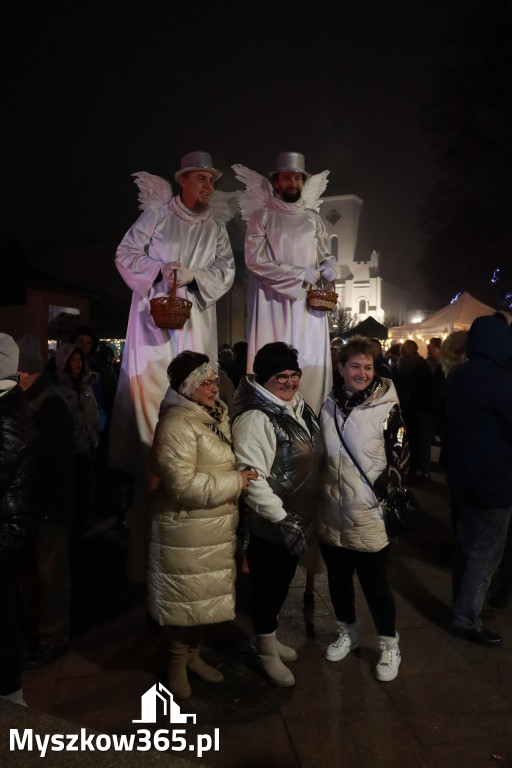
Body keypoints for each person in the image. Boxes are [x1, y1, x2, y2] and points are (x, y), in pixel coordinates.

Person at [110, 151, 235, 581]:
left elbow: (227, 270)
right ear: (182, 180)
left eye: (211, 180)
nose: (208, 187)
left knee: (193, 420)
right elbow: (126, 253)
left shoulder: (216, 229)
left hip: (194, 327)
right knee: (152, 433)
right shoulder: (159, 217)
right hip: (153, 332)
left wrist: (194, 277)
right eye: (201, 178)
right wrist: (160, 271)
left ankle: (188, 552)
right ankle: (144, 557)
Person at [148, 351, 255, 699]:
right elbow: (182, 486)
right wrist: (236, 483)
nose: (214, 387)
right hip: (187, 530)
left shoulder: (213, 417)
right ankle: (176, 663)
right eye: (206, 382)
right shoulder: (176, 425)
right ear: (188, 387)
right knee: (184, 604)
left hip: (213, 529)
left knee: (202, 603)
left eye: (214, 380)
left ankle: (194, 657)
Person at [317, 335, 409, 682]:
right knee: (339, 580)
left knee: (375, 584)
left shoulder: (388, 407)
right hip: (331, 509)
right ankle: (348, 631)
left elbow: (401, 456)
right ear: (340, 368)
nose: (361, 372)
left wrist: (382, 493)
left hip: (368, 512)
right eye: (354, 365)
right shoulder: (328, 404)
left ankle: (389, 645)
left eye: (367, 366)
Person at [231, 342, 323, 687]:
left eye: (294, 375)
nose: (289, 382)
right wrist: (282, 519)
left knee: (282, 582)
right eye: (280, 376)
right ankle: (264, 650)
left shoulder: (297, 408)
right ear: (264, 378)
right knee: (268, 586)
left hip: (296, 519)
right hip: (272, 523)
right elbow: (251, 478)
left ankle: (265, 637)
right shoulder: (257, 417)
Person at [235, 152, 340, 415]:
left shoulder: (313, 218)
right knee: (276, 362)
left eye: (297, 178)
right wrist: (296, 274)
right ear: (277, 183)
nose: (292, 182)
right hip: (273, 304)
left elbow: (323, 253)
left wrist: (330, 264)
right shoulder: (262, 217)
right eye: (286, 178)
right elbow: (254, 261)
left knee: (309, 361)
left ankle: (312, 420)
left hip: (309, 307)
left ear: (302, 182)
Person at [446, 314, 512, 645]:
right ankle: (466, 618)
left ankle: (463, 605)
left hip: (462, 477)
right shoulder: (503, 380)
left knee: (467, 549)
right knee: (486, 553)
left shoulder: (458, 376)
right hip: (494, 481)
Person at [17, 333, 74, 668]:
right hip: (34, 504)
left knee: (50, 573)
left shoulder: (48, 404)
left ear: (24, 373)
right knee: (36, 573)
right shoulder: (34, 400)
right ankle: (39, 633)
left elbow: (45, 460)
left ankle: (53, 637)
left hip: (47, 505)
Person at [0, 334, 35, 705]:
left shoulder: (10, 414)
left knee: (4, 615)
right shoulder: (10, 406)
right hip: (9, 529)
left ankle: (11, 696)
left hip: (7, 533)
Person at [54, 344, 100, 531]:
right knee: (72, 489)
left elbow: (94, 411)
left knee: (85, 487)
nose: (78, 363)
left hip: (87, 445)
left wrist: (96, 433)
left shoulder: (86, 385)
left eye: (80, 359)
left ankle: (84, 521)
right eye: (73, 359)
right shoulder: (58, 388)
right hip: (70, 449)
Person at [394, 339, 432, 480]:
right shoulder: (400, 365)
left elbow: (426, 388)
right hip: (404, 408)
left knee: (416, 439)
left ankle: (416, 467)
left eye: (406, 348)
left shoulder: (420, 365)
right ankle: (406, 465)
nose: (404, 350)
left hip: (416, 408)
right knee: (404, 438)